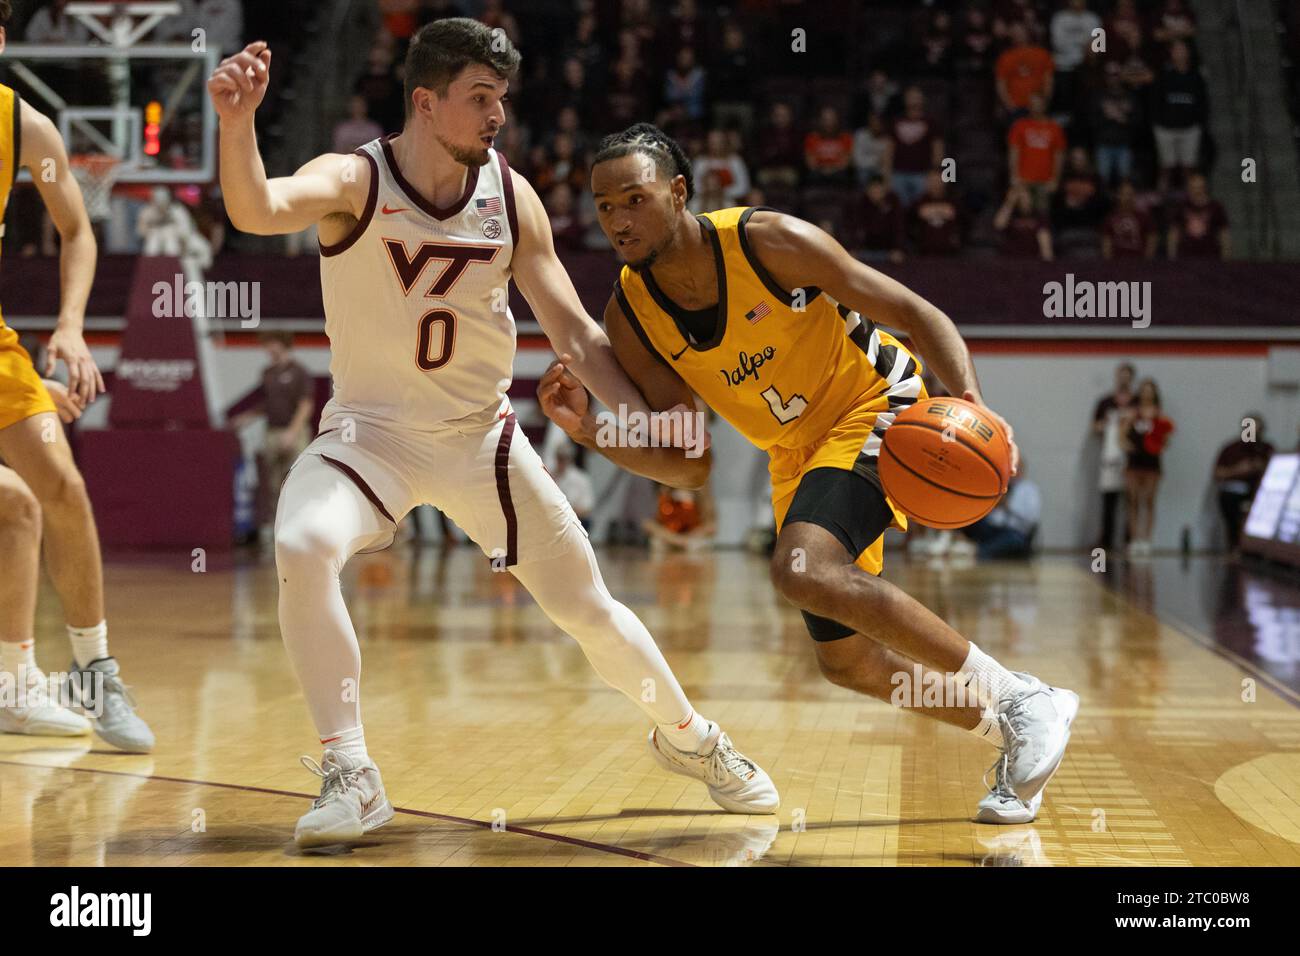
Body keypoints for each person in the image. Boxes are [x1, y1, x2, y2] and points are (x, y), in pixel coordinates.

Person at [207, 21, 776, 848]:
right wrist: (236, 124)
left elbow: (578, 336)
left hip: (483, 440)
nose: (498, 114)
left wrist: (657, 420)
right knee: (300, 542)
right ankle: (352, 772)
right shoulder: (353, 180)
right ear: (426, 102)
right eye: (481, 98)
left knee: (588, 610)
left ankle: (693, 740)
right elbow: (256, 207)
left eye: (502, 98)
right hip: (371, 436)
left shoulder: (510, 196)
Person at [545, 123, 1080, 825]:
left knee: (801, 566)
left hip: (877, 402)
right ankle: (1011, 730)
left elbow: (918, 313)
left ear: (678, 192)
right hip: (796, 450)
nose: (617, 220)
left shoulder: (769, 242)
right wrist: (593, 433)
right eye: (603, 206)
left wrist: (971, 404)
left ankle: (1019, 697)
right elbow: (691, 464)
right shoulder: (632, 313)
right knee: (848, 664)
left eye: (634, 199)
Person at [0, 1, 154, 751]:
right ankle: (13, 681)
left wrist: (68, 325)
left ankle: (92, 673)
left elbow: (78, 230)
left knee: (56, 489)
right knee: (14, 508)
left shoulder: (25, 126)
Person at [228, 331, 315, 536]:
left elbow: (305, 404)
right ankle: (281, 530)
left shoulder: (299, 371)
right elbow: (266, 404)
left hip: (294, 431)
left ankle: (304, 528)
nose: (267, 349)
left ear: (282, 344)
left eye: (270, 343)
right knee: (274, 482)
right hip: (272, 431)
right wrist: (247, 417)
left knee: (297, 480)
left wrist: (293, 432)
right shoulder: (267, 373)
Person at [1121, 379, 1174, 556]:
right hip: (1134, 462)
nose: (1146, 394)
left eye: (1150, 390)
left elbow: (1167, 438)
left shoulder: (1161, 417)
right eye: (1144, 390)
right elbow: (1122, 435)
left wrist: (1158, 445)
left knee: (1149, 501)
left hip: (1152, 463)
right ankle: (1135, 539)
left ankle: (1147, 540)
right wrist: (1126, 445)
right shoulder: (1132, 415)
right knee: (1133, 500)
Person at [1091, 363, 1136, 552]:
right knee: (1109, 499)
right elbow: (1095, 427)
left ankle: (1129, 539)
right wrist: (1107, 424)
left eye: (1127, 376)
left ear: (1132, 378)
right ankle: (1107, 540)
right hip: (1110, 455)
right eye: (1121, 375)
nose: (1124, 379)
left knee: (1131, 500)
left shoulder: (1137, 402)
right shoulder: (1106, 402)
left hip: (1132, 455)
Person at [1213, 415, 1273, 555]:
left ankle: (1261, 549)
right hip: (1235, 491)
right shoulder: (1231, 448)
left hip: (1260, 491)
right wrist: (1237, 470)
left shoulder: (1267, 448)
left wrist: (1262, 467)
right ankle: (1235, 545)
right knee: (1229, 500)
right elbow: (1217, 473)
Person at [959, 472, 1041, 560]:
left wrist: (1008, 506)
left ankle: (977, 551)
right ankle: (960, 545)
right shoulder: (998, 486)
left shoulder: (1029, 490)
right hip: (992, 528)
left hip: (1015, 531)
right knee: (972, 521)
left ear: (1022, 470)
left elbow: (1031, 519)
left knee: (1013, 540)